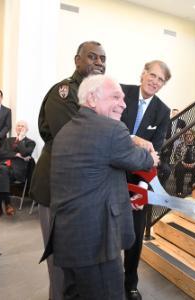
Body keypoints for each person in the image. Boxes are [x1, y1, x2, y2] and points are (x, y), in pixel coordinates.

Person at [41, 74, 159, 299]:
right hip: (98, 244)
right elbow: (140, 160)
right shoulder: (111, 130)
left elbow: (90, 178)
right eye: (116, 97)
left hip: (69, 237)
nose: (124, 104)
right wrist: (152, 157)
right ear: (92, 99)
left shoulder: (67, 130)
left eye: (123, 98)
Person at [31, 40, 106, 300]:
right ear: (77, 60)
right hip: (56, 191)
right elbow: (74, 141)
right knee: (60, 267)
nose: (99, 63)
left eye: (102, 59)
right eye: (92, 57)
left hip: (83, 195)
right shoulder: (63, 92)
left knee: (77, 266)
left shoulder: (99, 97)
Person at [120, 60, 171, 300]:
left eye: (160, 79)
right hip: (111, 174)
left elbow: (155, 153)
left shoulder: (163, 112)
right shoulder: (121, 92)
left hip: (139, 181)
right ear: (143, 74)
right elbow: (109, 127)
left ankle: (130, 283)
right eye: (152, 75)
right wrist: (134, 138)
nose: (155, 81)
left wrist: (141, 189)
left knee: (135, 234)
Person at [0, 121, 35, 218]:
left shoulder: (30, 143)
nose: (20, 127)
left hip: (17, 170)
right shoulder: (8, 140)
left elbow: (25, 153)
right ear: (15, 128)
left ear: (26, 129)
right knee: (3, 171)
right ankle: (7, 204)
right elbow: (1, 154)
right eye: (18, 126)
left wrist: (20, 139)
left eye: (22, 126)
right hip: (4, 166)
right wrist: (16, 154)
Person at [174, 129, 195, 196]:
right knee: (180, 169)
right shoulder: (180, 145)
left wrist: (194, 163)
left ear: (193, 136)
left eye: (190, 134)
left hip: (193, 163)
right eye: (187, 135)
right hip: (182, 163)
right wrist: (183, 163)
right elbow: (176, 156)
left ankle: (191, 184)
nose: (189, 136)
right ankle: (179, 190)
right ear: (185, 136)